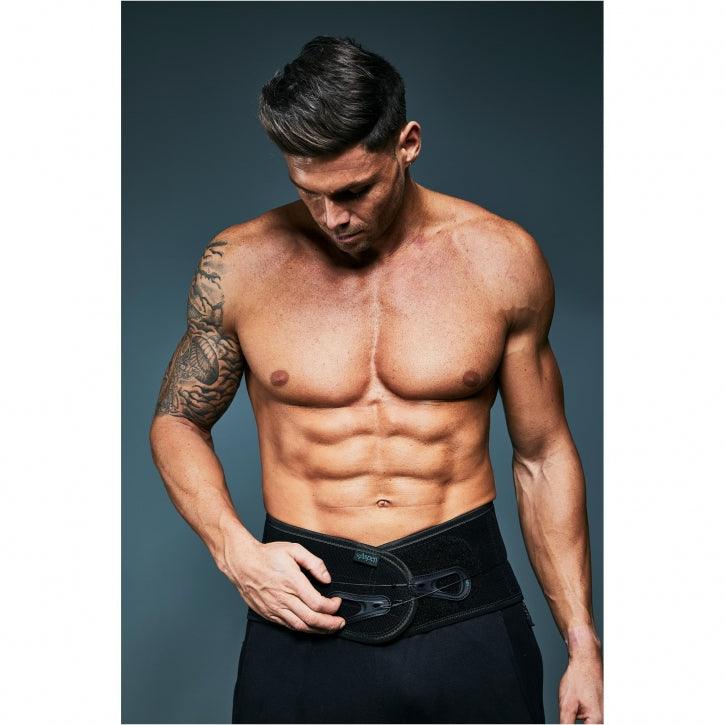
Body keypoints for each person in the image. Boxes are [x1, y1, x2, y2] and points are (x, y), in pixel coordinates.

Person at [149, 35, 603, 724]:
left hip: (468, 616)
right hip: (304, 617)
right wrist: (233, 549)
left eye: (354, 191)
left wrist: (582, 645)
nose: (333, 217)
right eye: (309, 193)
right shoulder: (239, 264)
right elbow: (178, 419)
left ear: (407, 144)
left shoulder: (500, 259)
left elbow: (541, 455)